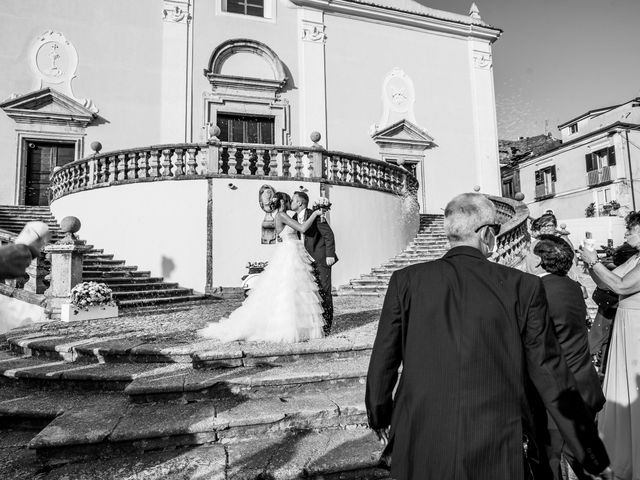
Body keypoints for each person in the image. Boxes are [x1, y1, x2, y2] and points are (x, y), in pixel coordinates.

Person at [366, 193, 611, 480]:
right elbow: (550, 372)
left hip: (422, 432)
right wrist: (592, 455)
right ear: (487, 235)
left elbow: (384, 356)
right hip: (497, 437)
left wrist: (379, 414)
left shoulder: (406, 280)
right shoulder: (524, 286)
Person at [198, 192, 325, 343]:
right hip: (290, 252)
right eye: (288, 200)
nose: (291, 201)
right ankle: (288, 327)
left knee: (295, 289)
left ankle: (298, 326)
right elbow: (303, 228)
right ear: (283, 202)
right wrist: (316, 213)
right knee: (289, 288)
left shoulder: (282, 215)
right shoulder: (282, 215)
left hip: (291, 250)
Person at [533, 234, 606, 480]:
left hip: (560, 394)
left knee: (558, 464)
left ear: (537, 261)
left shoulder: (536, 291)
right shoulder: (573, 287)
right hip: (585, 384)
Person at [580, 211, 640, 480]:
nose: (626, 234)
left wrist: (596, 263)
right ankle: (622, 455)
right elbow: (608, 282)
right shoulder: (635, 258)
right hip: (626, 327)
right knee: (621, 387)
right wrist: (591, 266)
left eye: (631, 230)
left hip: (637, 328)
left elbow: (622, 286)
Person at [291, 191, 337, 335]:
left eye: (293, 200)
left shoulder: (316, 214)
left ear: (299, 202)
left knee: (324, 291)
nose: (291, 203)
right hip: (304, 261)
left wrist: (330, 255)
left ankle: (327, 326)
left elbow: (329, 234)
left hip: (321, 259)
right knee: (311, 295)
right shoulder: (293, 217)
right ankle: (315, 325)